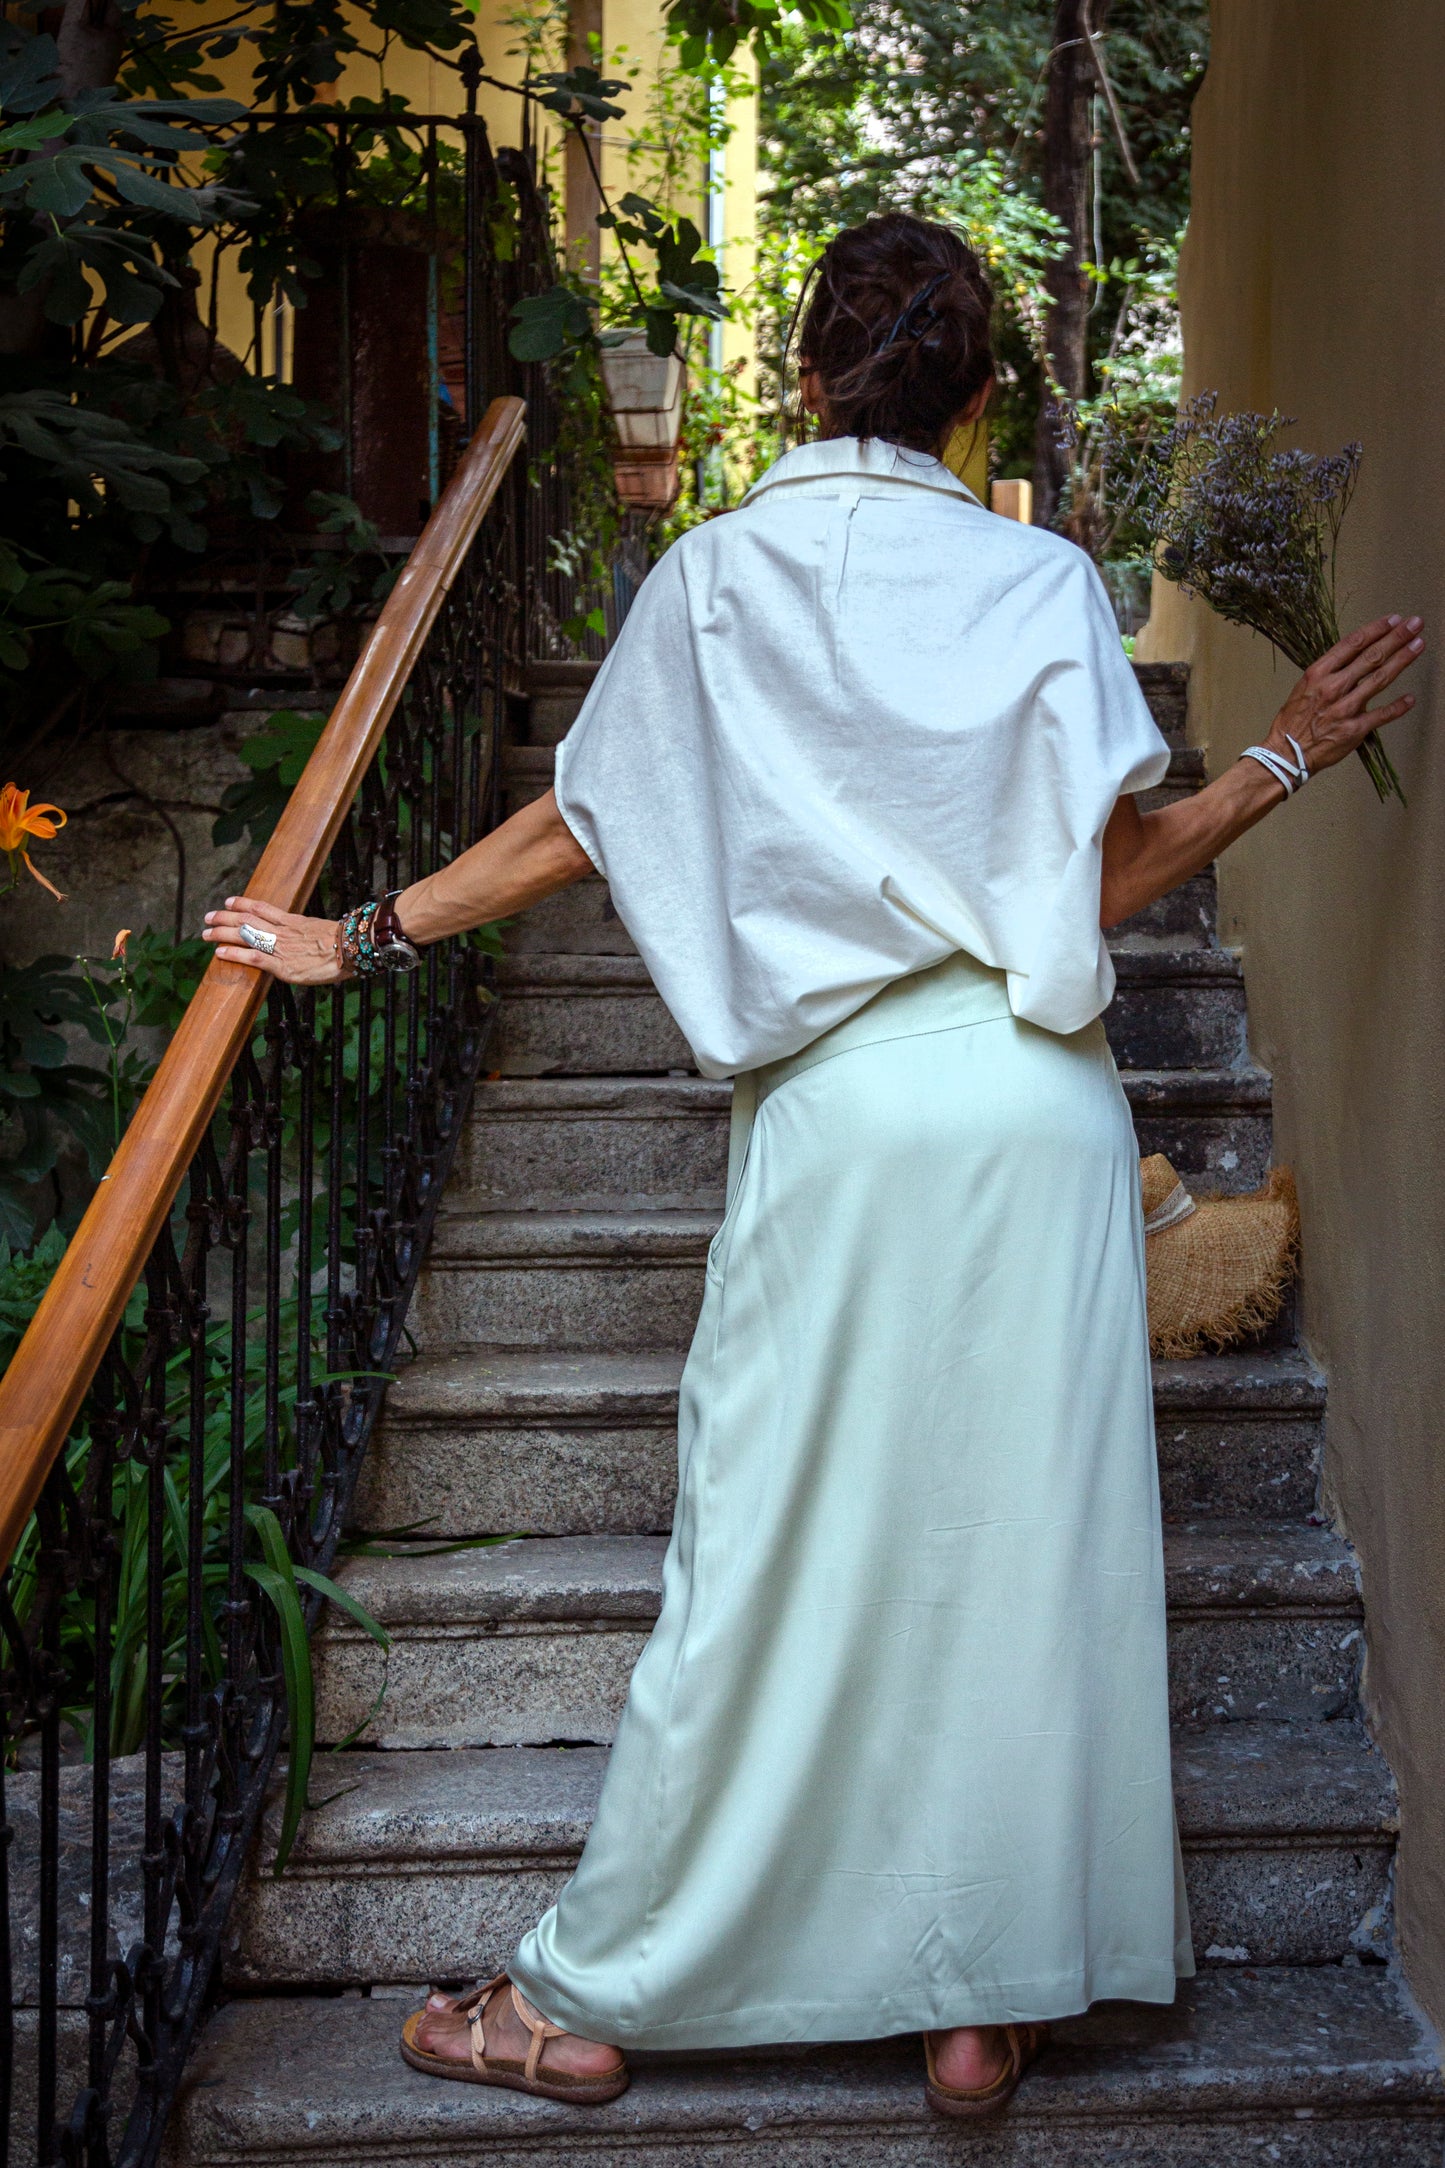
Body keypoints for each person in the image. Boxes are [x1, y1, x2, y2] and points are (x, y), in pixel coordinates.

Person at [203, 212, 1423, 2118]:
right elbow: (1104, 884)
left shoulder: (712, 579)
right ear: (980, 394)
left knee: (763, 1563)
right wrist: (1271, 758)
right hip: (1033, 1107)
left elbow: (576, 830)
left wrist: (351, 940)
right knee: (1024, 1555)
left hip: (851, 1118)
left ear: (797, 370)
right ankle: (979, 2005)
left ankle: (589, 2001)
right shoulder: (1038, 585)